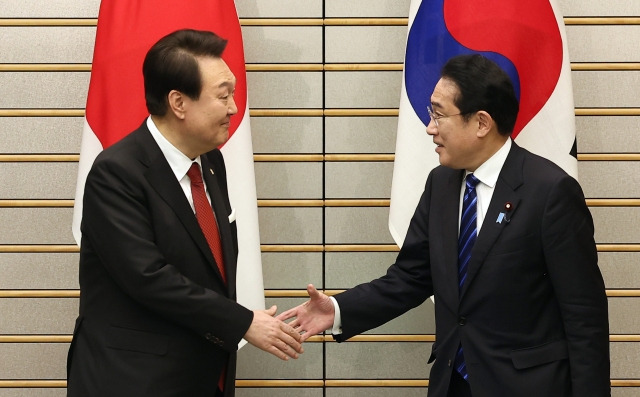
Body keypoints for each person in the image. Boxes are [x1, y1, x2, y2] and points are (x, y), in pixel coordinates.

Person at [278, 54, 610, 397]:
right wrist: (337, 309)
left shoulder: (549, 191)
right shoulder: (442, 183)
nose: (429, 127)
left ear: (481, 123)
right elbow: (410, 277)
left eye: (439, 114)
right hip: (453, 384)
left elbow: (584, 316)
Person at [66, 29, 303, 397]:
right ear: (179, 103)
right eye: (223, 95)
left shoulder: (211, 162)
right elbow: (148, 277)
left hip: (201, 375)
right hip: (132, 379)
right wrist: (243, 323)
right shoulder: (117, 173)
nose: (234, 108)